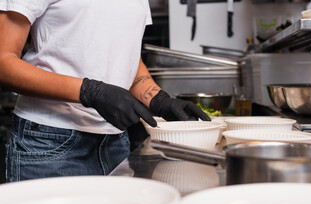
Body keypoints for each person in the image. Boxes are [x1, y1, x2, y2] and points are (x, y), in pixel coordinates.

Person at [0, 0, 210, 182]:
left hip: (116, 142)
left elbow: (123, 55)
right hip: (50, 143)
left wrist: (158, 99)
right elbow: (4, 62)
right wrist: (89, 91)